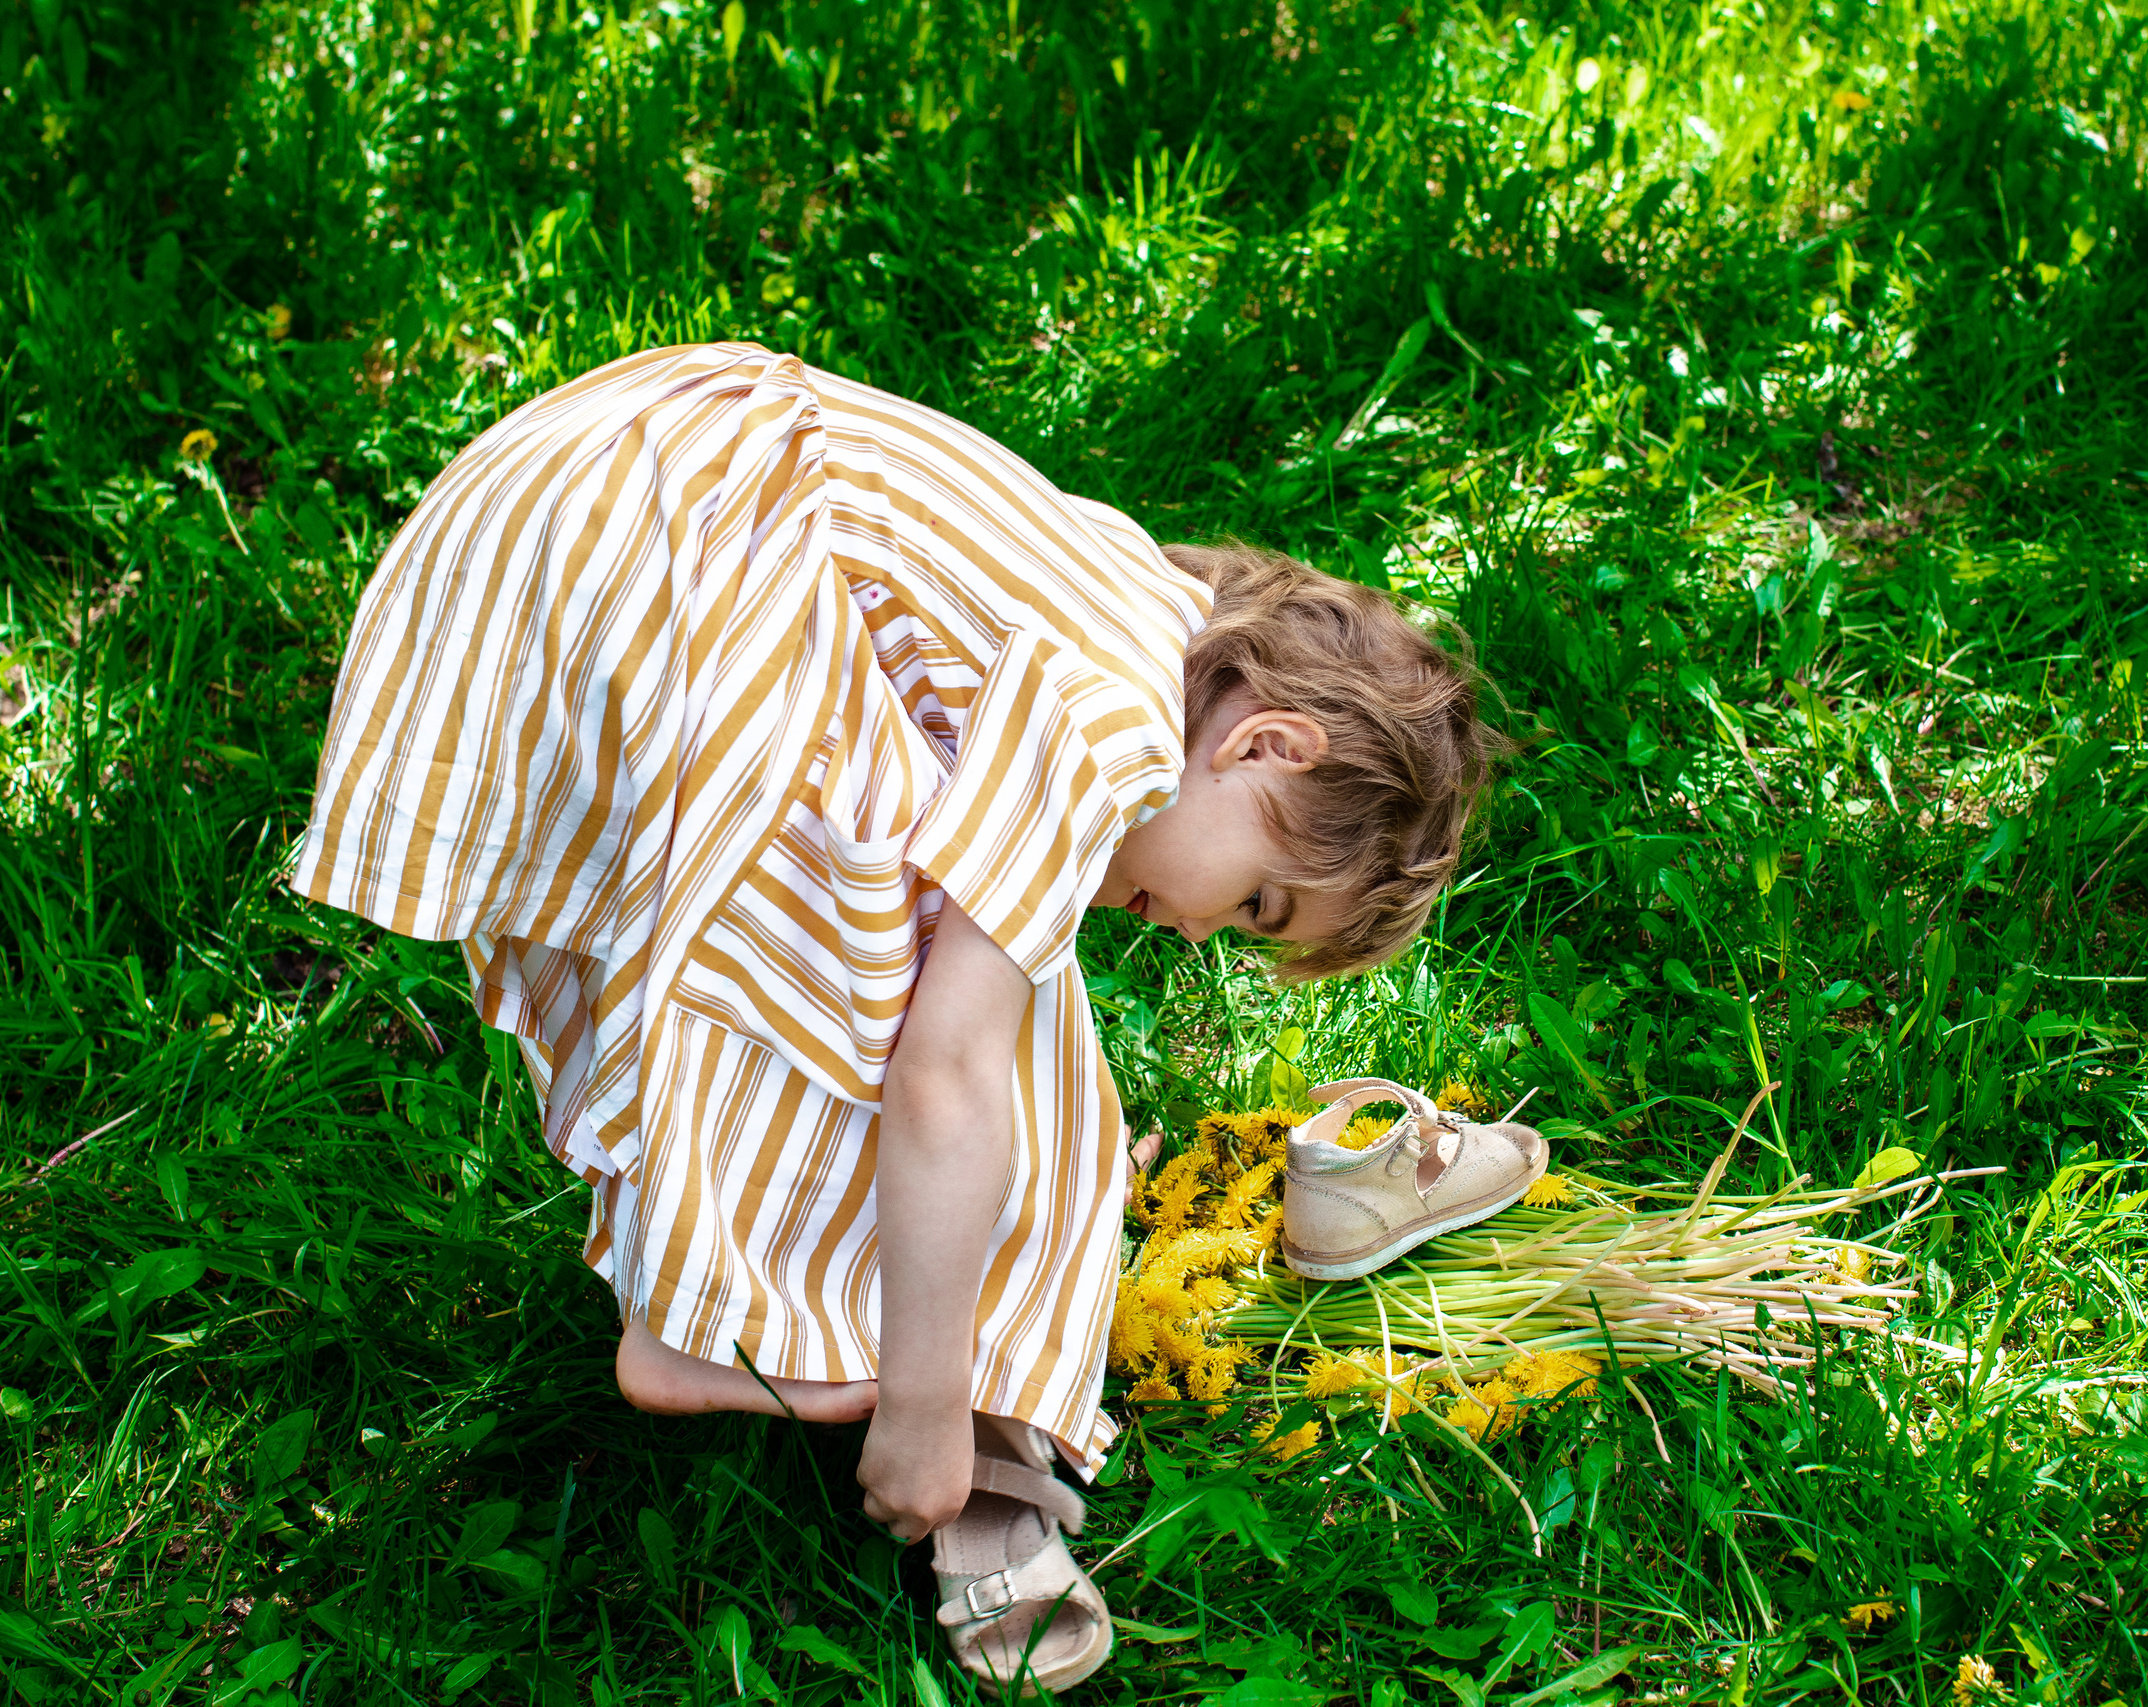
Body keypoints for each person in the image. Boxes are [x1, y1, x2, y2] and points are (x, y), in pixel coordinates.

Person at [292, 342, 1504, 1695]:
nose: (1200, 931)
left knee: (946, 937)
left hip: (582, 510)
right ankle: (842, 1367)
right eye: (1261, 903)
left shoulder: (1127, 602)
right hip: (652, 559)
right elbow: (944, 1073)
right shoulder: (1115, 720)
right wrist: (921, 1411)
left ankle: (736, 1285)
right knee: (958, 1001)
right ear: (1266, 745)